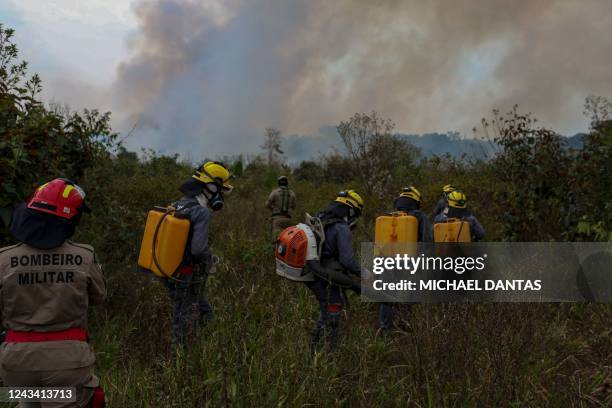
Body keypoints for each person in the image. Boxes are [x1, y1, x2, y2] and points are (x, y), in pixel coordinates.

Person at [0, 178, 106, 407]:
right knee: (91, 398)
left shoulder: (4, 259)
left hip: (16, 365)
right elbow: (99, 297)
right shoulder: (85, 256)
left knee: (27, 403)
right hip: (67, 363)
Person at [165, 161, 232, 347]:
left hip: (170, 270)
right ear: (211, 187)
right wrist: (211, 259)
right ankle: (180, 361)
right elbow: (198, 249)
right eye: (220, 190)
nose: (220, 196)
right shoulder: (201, 212)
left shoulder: (179, 204)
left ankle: (204, 348)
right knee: (183, 318)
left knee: (203, 312)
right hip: (185, 274)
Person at [306, 190, 364, 352]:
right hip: (332, 277)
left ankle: (314, 349)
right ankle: (329, 353)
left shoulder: (321, 219)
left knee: (325, 310)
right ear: (351, 210)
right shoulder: (340, 227)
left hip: (316, 274)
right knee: (332, 315)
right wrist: (365, 274)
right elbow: (348, 260)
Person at [379, 186, 432, 330]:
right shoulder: (419, 216)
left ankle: (385, 327)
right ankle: (404, 327)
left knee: (387, 294)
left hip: (387, 263)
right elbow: (428, 241)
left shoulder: (388, 217)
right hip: (410, 264)